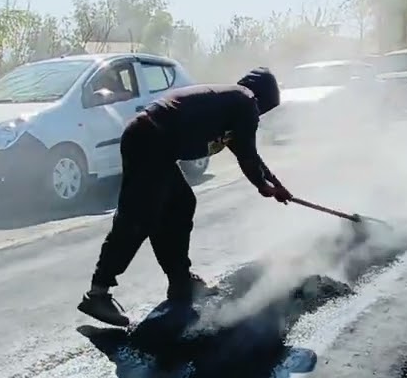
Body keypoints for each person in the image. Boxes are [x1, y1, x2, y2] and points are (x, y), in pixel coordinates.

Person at [78, 67, 293, 326]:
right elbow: (248, 157)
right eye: (265, 109)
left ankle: (180, 281)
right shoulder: (245, 100)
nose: (260, 116)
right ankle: (98, 293)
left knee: (179, 205)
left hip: (154, 143)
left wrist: (276, 184)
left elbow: (249, 154)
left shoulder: (233, 103)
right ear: (263, 97)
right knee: (138, 217)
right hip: (149, 139)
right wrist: (262, 186)